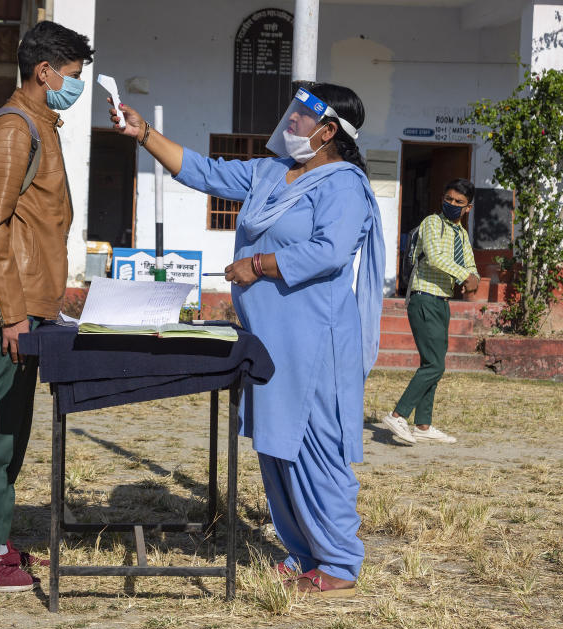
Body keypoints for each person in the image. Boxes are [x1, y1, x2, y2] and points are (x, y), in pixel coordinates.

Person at [109, 82, 385, 596]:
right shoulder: (269, 173)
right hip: (268, 339)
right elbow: (205, 171)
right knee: (277, 444)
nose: (291, 122)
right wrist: (142, 133)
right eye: (293, 112)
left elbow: (329, 251)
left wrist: (257, 265)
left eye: (303, 117)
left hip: (316, 340)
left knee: (315, 446)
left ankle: (340, 562)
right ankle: (302, 550)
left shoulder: (343, 186)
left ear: (328, 132)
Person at [0, 20, 94, 593]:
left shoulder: (41, 121)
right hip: (14, 307)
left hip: (34, 304)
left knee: (16, 425)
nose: (75, 86)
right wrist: (13, 313)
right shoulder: (16, 128)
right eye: (73, 76)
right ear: (46, 72)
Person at [382, 179, 478, 445]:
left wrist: (475, 277)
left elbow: (470, 262)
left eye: (459, 202)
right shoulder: (432, 223)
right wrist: (464, 276)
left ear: (468, 208)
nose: (452, 205)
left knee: (432, 362)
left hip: (442, 301)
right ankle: (398, 414)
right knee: (435, 364)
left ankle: (423, 426)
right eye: (449, 199)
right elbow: (435, 257)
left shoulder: (461, 234)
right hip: (424, 297)